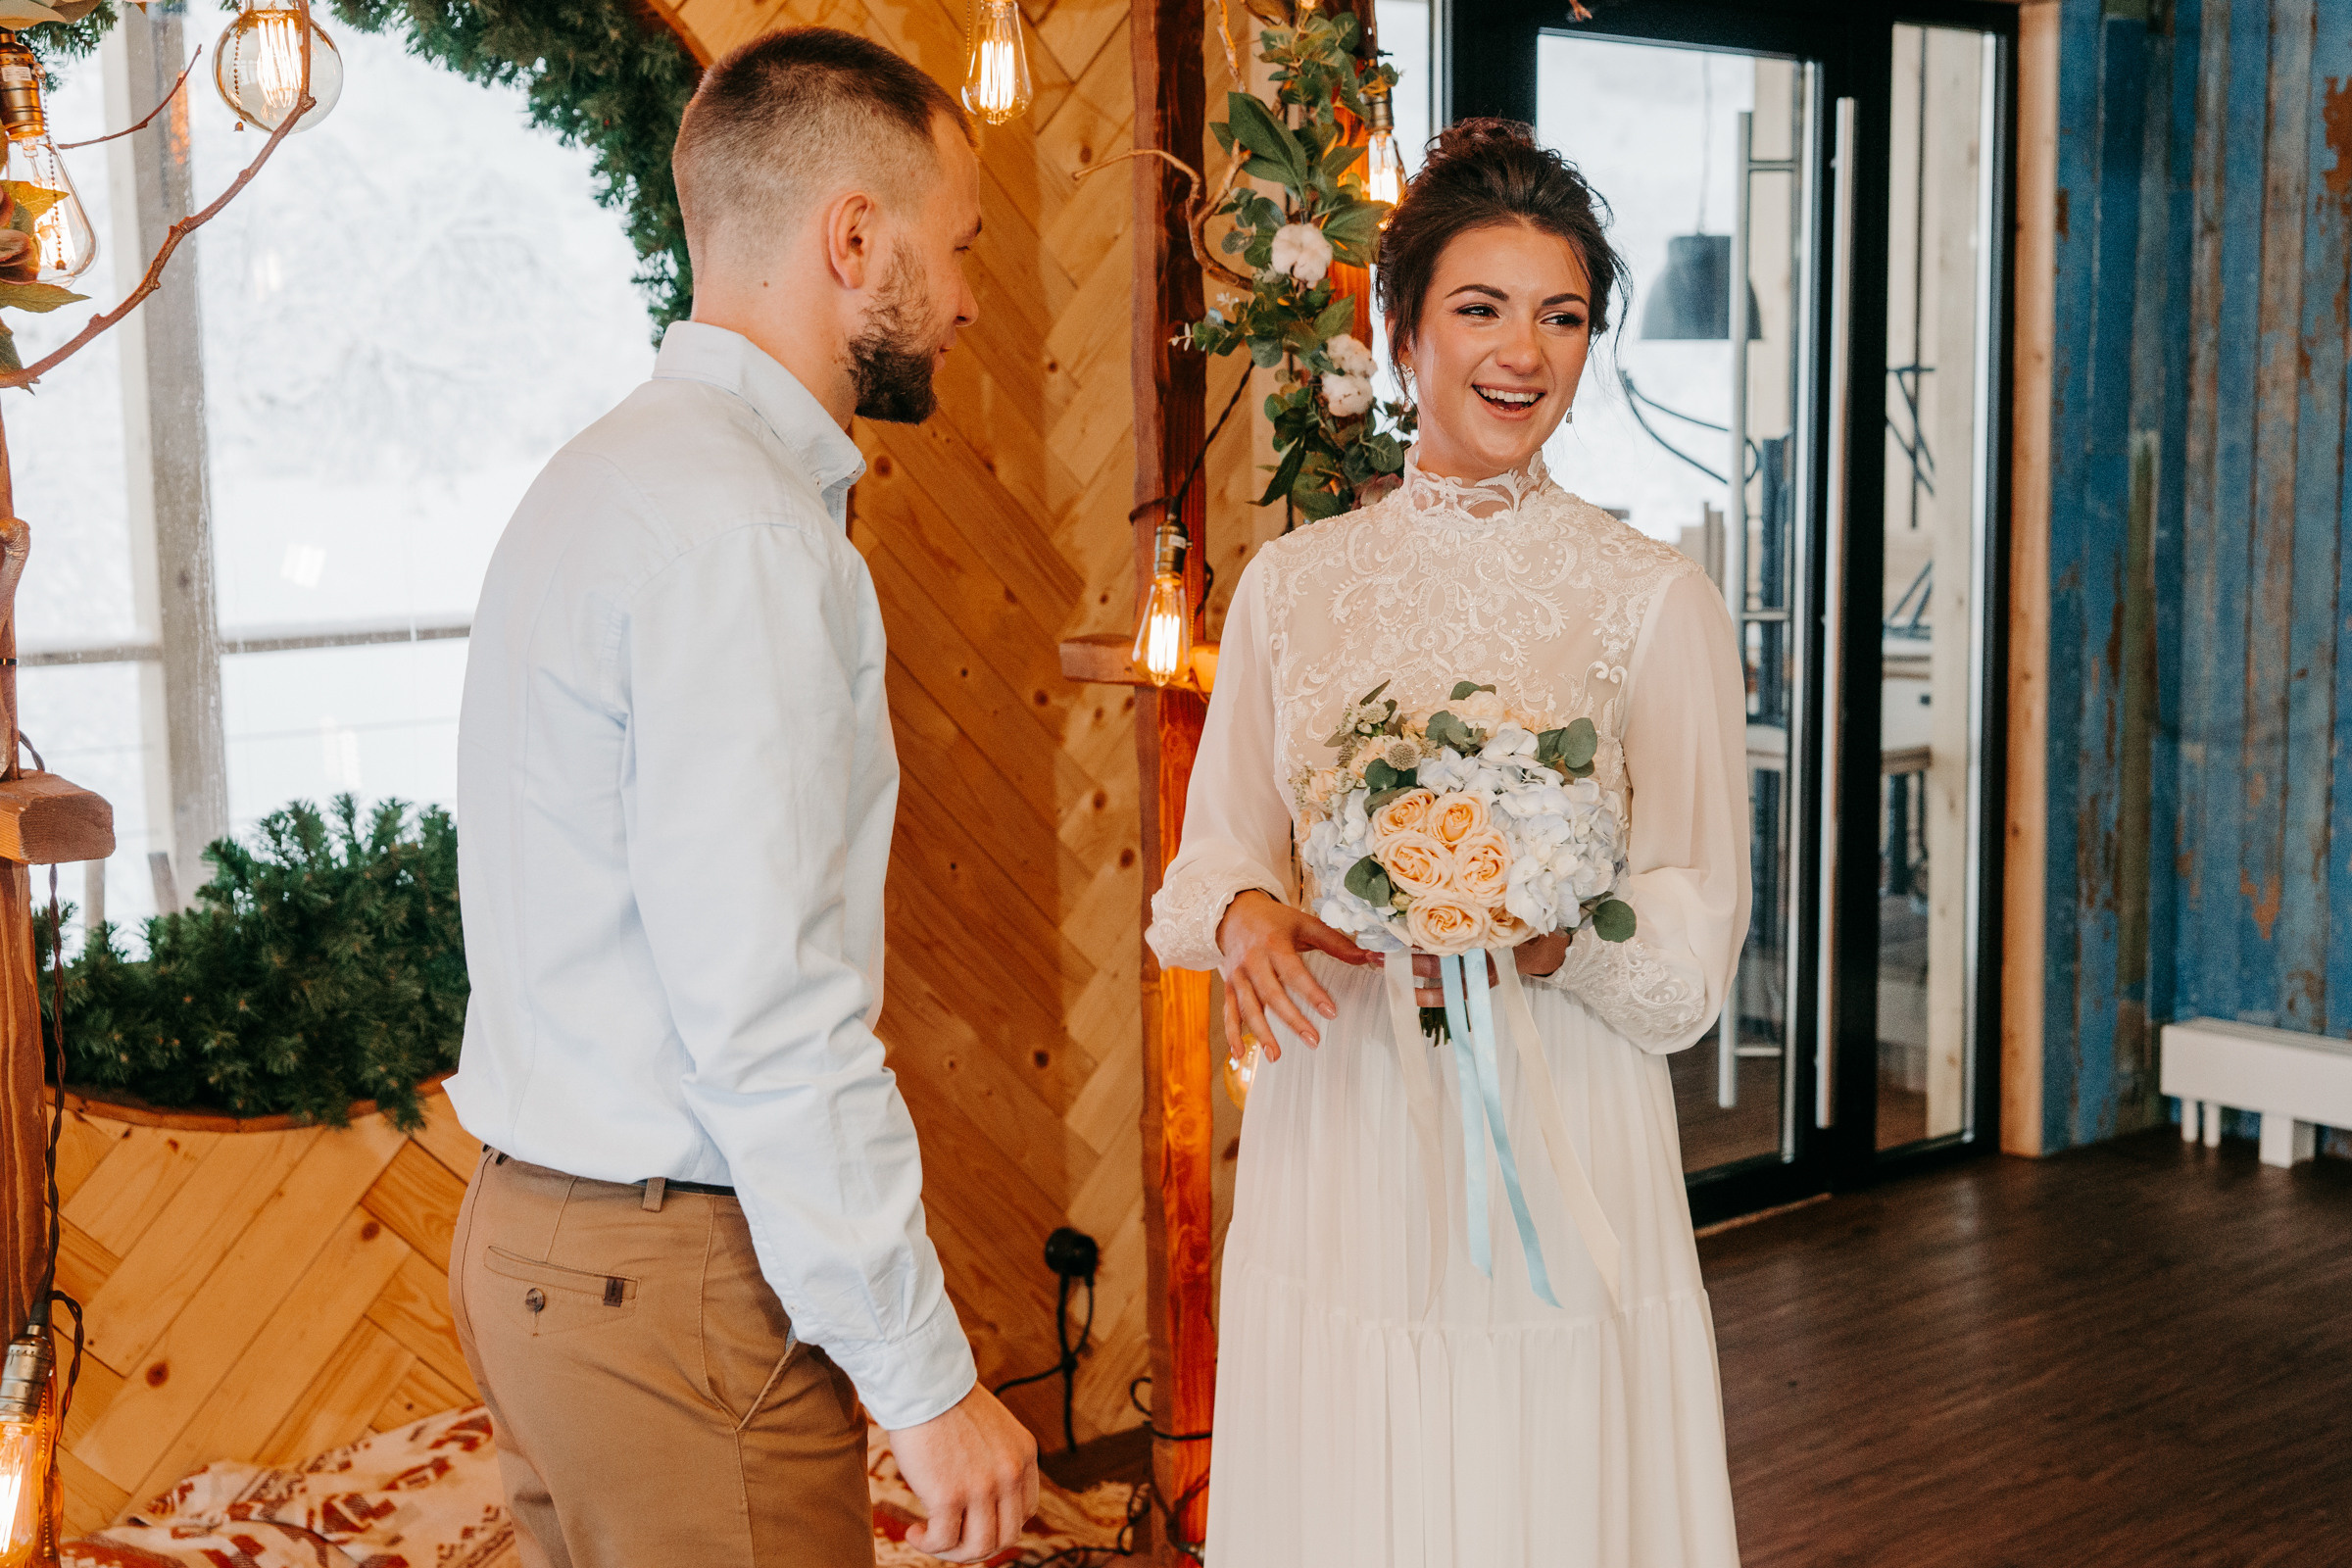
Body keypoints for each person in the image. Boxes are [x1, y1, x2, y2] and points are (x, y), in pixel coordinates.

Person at [446, 27, 1038, 1568]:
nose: (971, 297)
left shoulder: (605, 475)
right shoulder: (746, 539)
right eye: (959, 245)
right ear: (856, 237)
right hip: (673, 1281)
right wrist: (926, 1377)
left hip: (531, 1244)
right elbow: (766, 1016)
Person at [1147, 119, 1749, 1566]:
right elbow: (1211, 857)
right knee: (1364, 1472)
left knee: (1539, 1483)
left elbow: (1694, 919)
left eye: (1561, 318)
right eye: (1480, 309)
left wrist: (1543, 934)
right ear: (1400, 326)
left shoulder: (1651, 598)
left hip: (1561, 1125)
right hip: (1345, 1114)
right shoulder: (1295, 587)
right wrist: (1245, 921)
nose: (1522, 354)